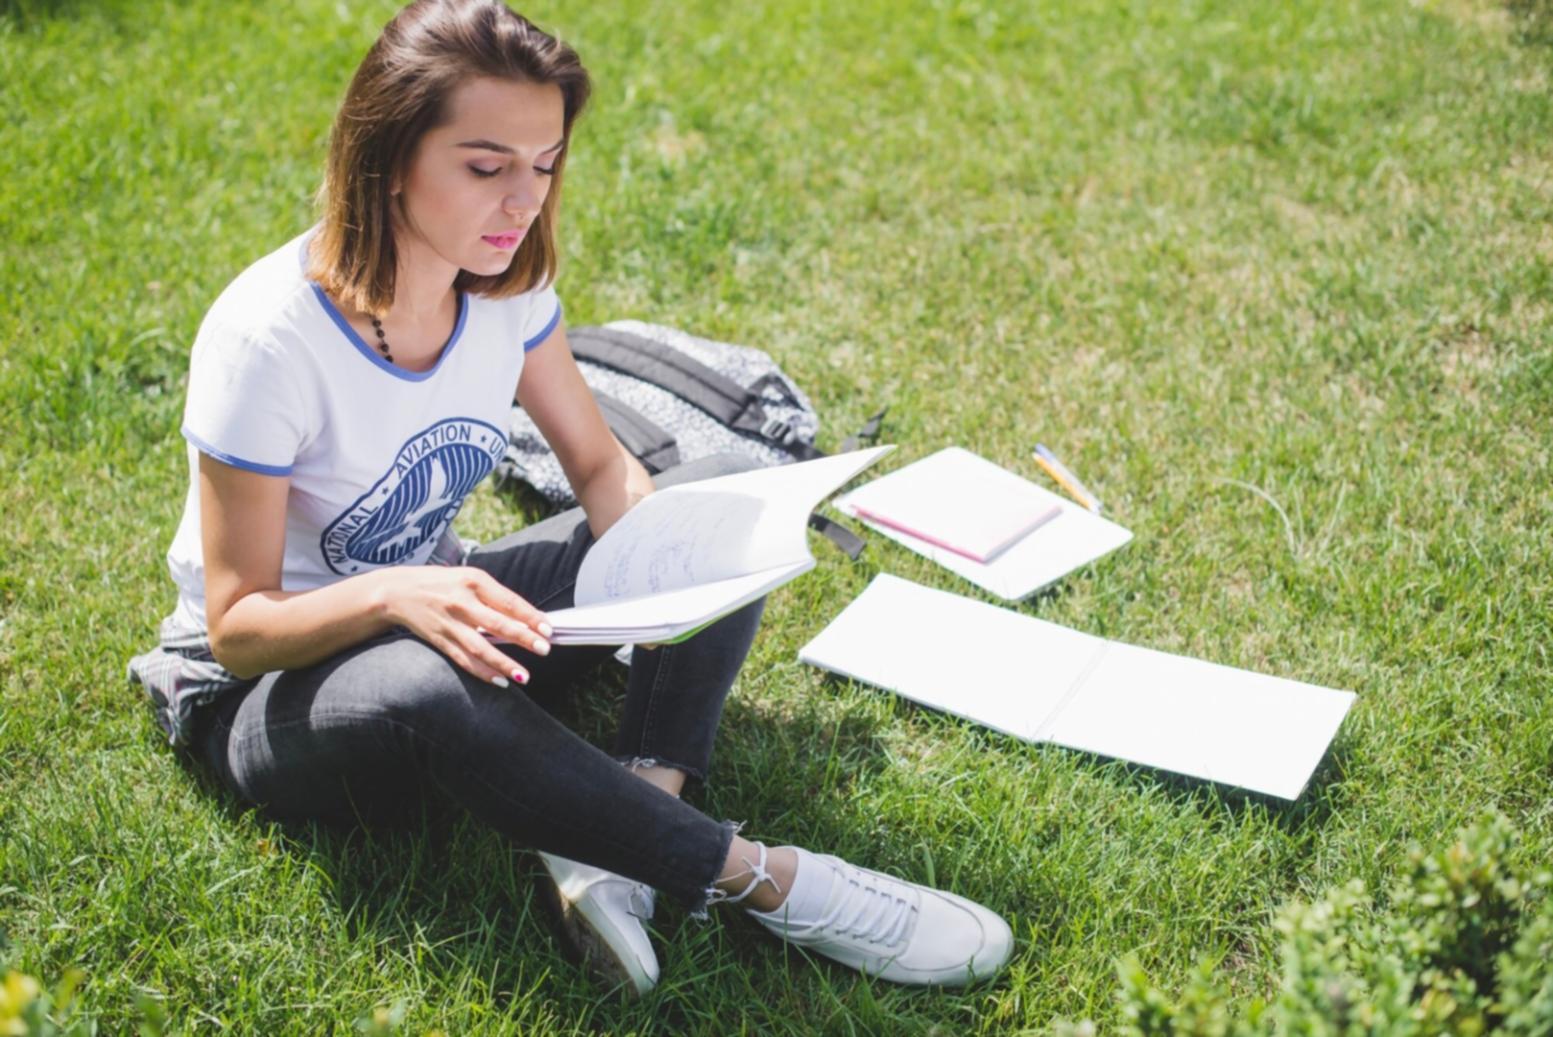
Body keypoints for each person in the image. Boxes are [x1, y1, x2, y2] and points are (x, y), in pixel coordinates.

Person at [128, 0, 1013, 996]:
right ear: (387, 154)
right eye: (485, 165)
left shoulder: (500, 288)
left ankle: (625, 828)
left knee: (720, 496)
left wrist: (655, 557)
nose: (522, 200)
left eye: (543, 164)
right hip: (269, 696)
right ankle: (766, 879)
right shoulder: (269, 340)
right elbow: (237, 621)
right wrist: (394, 596)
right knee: (426, 685)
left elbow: (598, 468)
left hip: (454, 616)